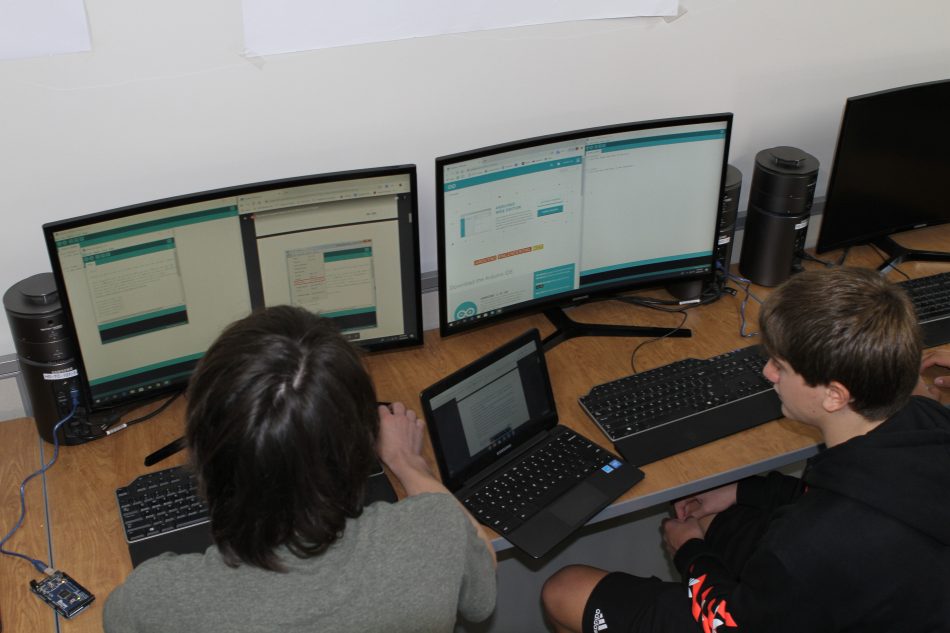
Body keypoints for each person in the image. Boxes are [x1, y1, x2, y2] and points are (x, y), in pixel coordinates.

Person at [541, 266, 950, 633]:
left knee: (565, 590)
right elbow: (851, 497)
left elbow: (730, 621)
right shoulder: (926, 420)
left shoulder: (812, 543)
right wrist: (744, 491)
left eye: (781, 366)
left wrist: (690, 553)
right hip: (877, 590)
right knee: (711, 515)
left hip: (772, 610)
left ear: (834, 395)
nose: (767, 372)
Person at [104, 305, 496, 632]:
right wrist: (410, 464)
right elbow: (481, 595)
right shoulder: (436, 530)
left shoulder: (153, 600)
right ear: (359, 444)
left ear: (203, 451)